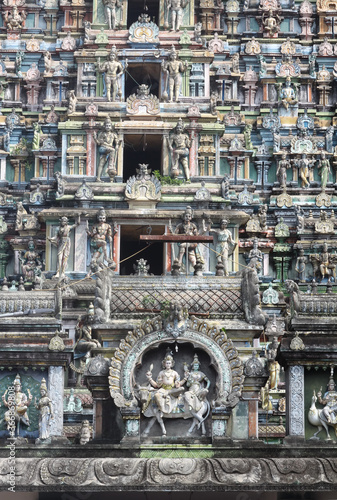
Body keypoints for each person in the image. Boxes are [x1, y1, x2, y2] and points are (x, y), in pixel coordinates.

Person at [146, 350, 185, 415]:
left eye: (169, 363)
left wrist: (184, 379)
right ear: (164, 364)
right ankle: (162, 409)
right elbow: (157, 385)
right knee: (156, 395)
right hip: (163, 390)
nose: (168, 365)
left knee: (182, 388)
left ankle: (168, 393)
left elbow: (178, 385)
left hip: (172, 390)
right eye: (167, 363)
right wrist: (149, 378)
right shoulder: (161, 373)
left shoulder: (174, 373)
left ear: (172, 364)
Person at [169, 206, 204, 271]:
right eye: (186, 216)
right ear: (183, 217)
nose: (187, 218)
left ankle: (180, 264)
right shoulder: (180, 225)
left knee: (183, 247)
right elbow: (175, 235)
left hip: (192, 243)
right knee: (192, 258)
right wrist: (171, 231)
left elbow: (196, 235)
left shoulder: (193, 225)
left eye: (189, 216)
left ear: (191, 217)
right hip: (184, 243)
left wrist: (201, 231)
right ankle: (196, 269)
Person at [94, 116, 120, 181]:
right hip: (103, 148)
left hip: (108, 150)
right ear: (104, 127)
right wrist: (95, 138)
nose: (108, 127)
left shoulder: (113, 134)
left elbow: (117, 142)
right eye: (107, 126)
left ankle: (98, 178)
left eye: (109, 126)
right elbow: (99, 143)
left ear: (111, 127)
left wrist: (117, 145)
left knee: (102, 163)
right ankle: (111, 165)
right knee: (112, 150)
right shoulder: (102, 134)